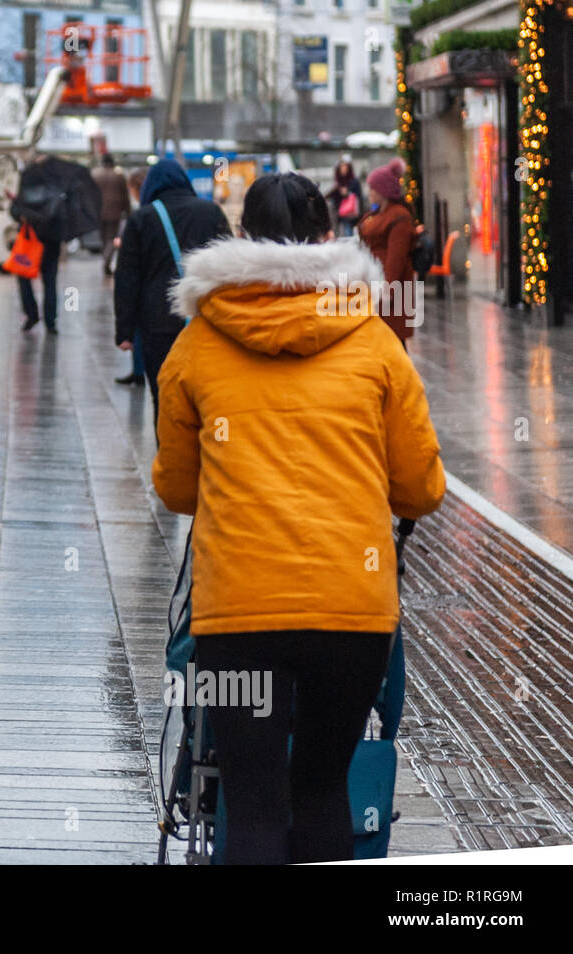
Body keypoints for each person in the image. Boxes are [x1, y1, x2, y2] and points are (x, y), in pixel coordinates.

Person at [152, 172, 445, 864]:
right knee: (320, 791)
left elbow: (175, 487)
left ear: (243, 236)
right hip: (352, 612)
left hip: (238, 615)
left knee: (251, 801)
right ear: (325, 236)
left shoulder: (196, 344)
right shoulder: (375, 344)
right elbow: (421, 488)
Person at [113, 159, 230, 423]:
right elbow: (228, 267)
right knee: (204, 395)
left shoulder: (141, 219)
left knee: (163, 395)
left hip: (158, 322)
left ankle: (169, 456)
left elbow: (127, 278)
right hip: (205, 319)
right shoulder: (211, 213)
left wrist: (125, 331)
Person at [359, 158, 418, 344]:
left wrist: (388, 290)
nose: (369, 193)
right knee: (383, 340)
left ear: (383, 190)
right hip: (377, 281)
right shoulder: (378, 214)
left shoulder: (399, 216)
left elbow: (396, 257)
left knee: (393, 340)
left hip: (392, 288)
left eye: (373, 188)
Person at [10, 154, 67, 333]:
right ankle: (51, 322)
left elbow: (15, 211)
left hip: (29, 240)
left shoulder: (27, 187)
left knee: (23, 277)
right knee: (50, 281)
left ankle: (31, 315)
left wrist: (17, 208)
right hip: (52, 240)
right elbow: (63, 215)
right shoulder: (57, 188)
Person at [115, 168, 148, 386]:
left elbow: (126, 272)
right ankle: (138, 370)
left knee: (140, 328)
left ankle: (139, 371)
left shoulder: (142, 217)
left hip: (145, 286)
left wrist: (122, 330)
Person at [92, 153, 132, 277]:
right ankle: (106, 260)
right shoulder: (118, 176)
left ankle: (106, 260)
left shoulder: (95, 175)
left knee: (104, 238)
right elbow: (125, 196)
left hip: (98, 212)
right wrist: (129, 212)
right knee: (111, 238)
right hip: (115, 211)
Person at [326, 155, 362, 237]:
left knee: (348, 231)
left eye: (345, 166)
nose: (343, 168)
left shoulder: (354, 181)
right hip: (338, 212)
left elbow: (358, 196)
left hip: (349, 213)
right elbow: (332, 194)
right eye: (341, 166)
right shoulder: (338, 181)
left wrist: (348, 193)